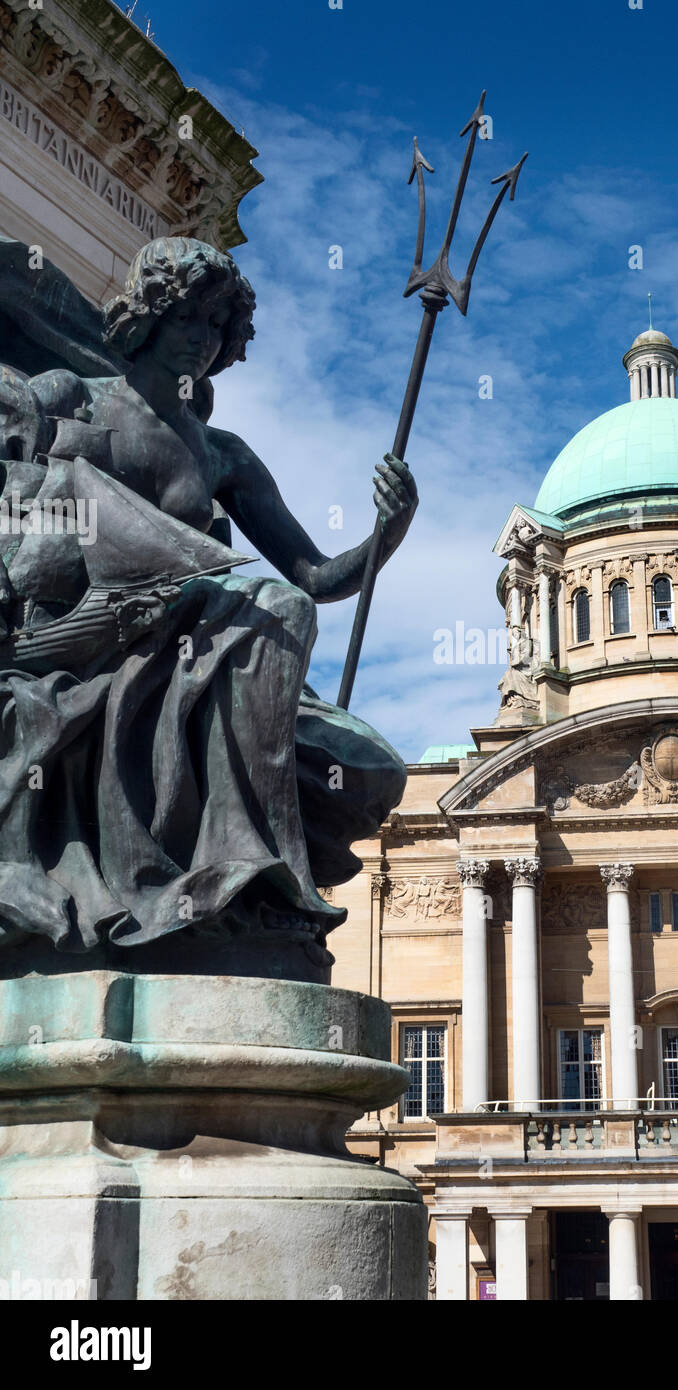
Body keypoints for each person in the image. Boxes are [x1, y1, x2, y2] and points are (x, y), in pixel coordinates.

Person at [0, 237, 416, 971]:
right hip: (85, 638)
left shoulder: (224, 453)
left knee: (367, 765)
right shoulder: (73, 400)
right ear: (149, 317)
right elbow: (26, 538)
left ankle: (238, 878)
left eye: (218, 327)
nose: (202, 339)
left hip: (199, 643)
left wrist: (386, 534)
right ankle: (248, 881)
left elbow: (314, 575)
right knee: (272, 613)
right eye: (190, 317)